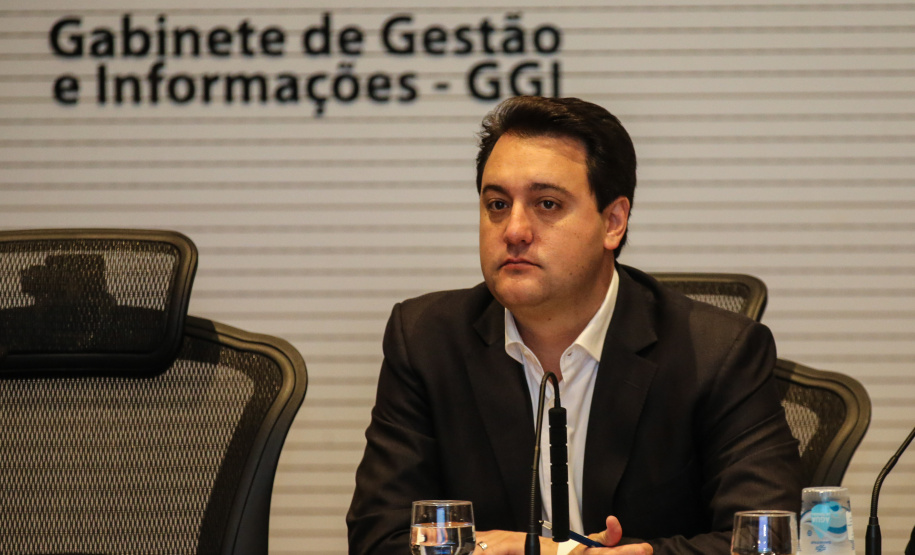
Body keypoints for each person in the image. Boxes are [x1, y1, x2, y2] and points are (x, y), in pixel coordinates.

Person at [347, 96, 803, 555]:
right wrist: (490, 550)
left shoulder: (718, 352)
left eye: (546, 203)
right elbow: (379, 538)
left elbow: (766, 541)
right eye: (497, 204)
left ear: (613, 222)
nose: (514, 230)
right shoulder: (426, 340)